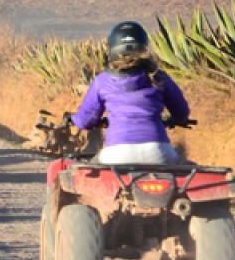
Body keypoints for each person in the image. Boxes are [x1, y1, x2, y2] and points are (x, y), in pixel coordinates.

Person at [71, 21, 191, 165]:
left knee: (92, 169)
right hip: (158, 152)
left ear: (112, 50)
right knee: (184, 168)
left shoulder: (102, 81)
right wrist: (177, 119)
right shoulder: (158, 76)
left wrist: (74, 119)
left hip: (117, 154)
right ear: (144, 47)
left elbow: (85, 120)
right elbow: (181, 111)